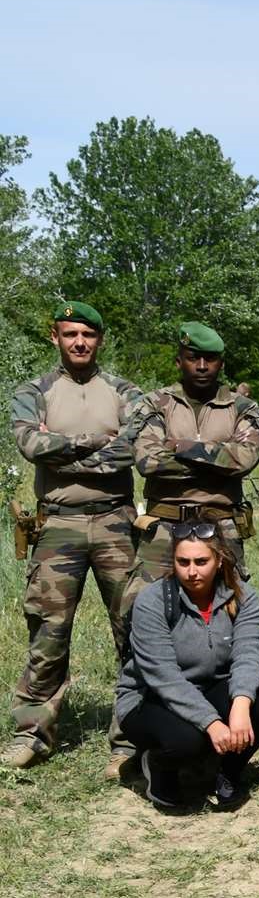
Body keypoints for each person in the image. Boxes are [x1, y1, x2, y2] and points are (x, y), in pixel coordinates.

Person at [6, 302, 144, 773]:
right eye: (70, 334)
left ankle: (130, 736)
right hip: (58, 523)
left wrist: (63, 449)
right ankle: (32, 733)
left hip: (116, 523)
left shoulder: (124, 391)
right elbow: (29, 444)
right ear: (55, 338)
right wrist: (95, 444)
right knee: (48, 631)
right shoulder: (35, 391)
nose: (79, 342)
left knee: (134, 629)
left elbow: (135, 447)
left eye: (88, 334)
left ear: (99, 338)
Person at [116, 524, 259, 809]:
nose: (192, 571)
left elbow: (249, 653)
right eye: (183, 562)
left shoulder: (242, 596)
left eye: (201, 562)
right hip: (151, 697)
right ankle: (157, 768)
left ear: (220, 560)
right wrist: (212, 723)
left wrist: (240, 705)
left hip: (211, 685)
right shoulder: (152, 600)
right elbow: (163, 676)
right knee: (186, 740)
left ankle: (226, 774)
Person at [130, 322, 259, 590]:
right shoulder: (154, 403)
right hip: (163, 527)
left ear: (221, 363)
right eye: (193, 358)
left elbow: (245, 459)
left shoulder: (242, 408)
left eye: (211, 359)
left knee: (228, 606)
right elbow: (147, 461)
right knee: (146, 609)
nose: (202, 366)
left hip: (222, 526)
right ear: (179, 361)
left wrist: (180, 447)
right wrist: (218, 459)